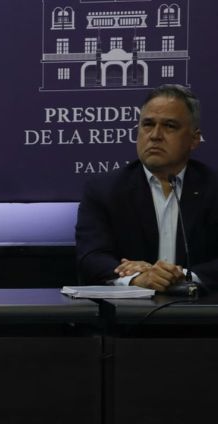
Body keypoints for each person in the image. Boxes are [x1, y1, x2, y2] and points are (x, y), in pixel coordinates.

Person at [75, 84, 218, 292]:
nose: (155, 135)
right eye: (148, 124)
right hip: (128, 319)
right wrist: (137, 277)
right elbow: (91, 257)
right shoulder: (104, 190)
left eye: (169, 126)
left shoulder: (213, 188)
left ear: (194, 139)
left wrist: (185, 277)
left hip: (199, 316)